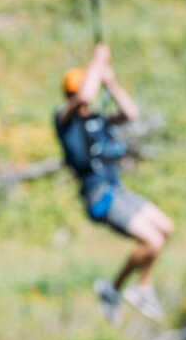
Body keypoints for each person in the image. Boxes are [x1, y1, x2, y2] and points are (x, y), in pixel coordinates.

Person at [54, 43, 174, 323]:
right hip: (99, 196)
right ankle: (117, 287)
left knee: (166, 228)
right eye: (76, 96)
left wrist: (112, 82)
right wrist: (98, 61)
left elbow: (131, 113)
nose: (83, 100)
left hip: (117, 190)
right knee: (153, 240)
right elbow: (85, 92)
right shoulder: (65, 122)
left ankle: (141, 287)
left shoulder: (99, 120)